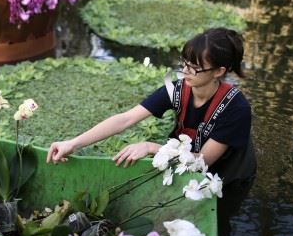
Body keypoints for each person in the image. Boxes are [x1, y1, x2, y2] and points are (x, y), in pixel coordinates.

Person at [46, 27, 257, 189]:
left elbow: (202, 160)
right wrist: (73, 143)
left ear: (219, 71)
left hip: (224, 178)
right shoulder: (177, 89)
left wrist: (151, 147)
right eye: (184, 63)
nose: (185, 71)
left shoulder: (236, 108)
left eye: (195, 67)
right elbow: (125, 119)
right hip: (182, 162)